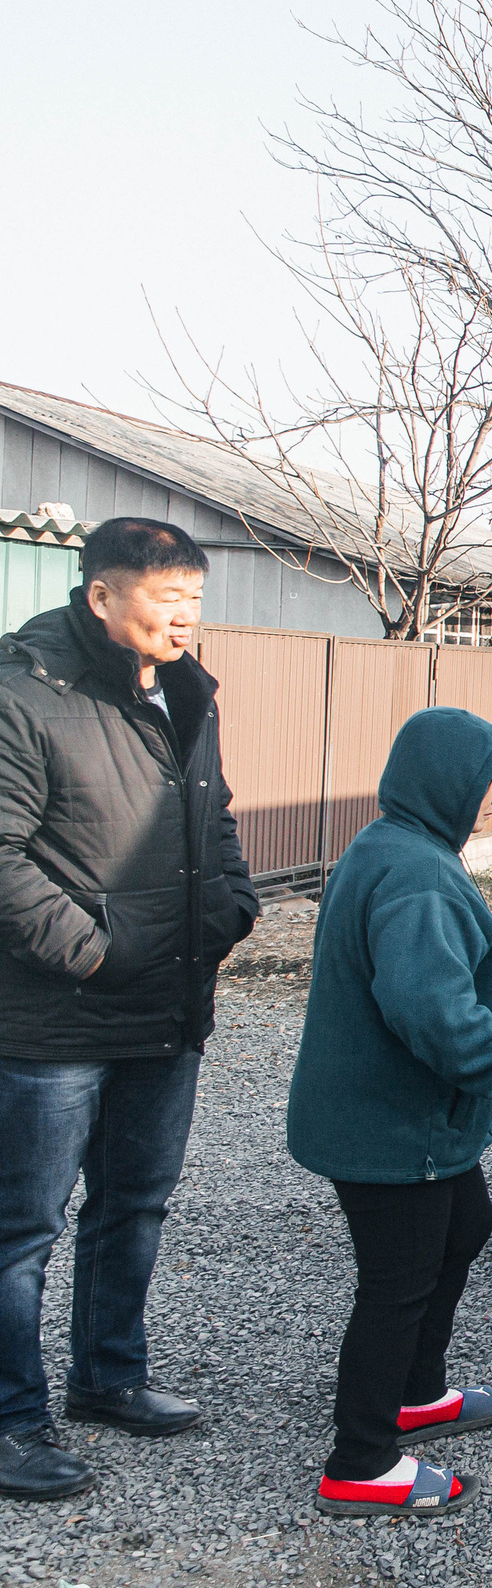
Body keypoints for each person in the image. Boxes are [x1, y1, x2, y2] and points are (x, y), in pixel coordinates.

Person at [287, 707, 492, 1517]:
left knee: (463, 1227)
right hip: (397, 1127)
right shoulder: (417, 873)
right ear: (445, 783)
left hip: (404, 1119)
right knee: (396, 1284)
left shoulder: (393, 842)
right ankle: (359, 1460)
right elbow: (433, 1014)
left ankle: (416, 1392)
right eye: (486, 781)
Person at [0, 518, 260, 1502]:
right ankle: (11, 1420)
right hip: (52, 1020)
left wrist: (233, 904)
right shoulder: (23, 693)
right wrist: (93, 952)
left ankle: (109, 1377)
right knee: (22, 1230)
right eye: (166, 599)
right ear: (101, 596)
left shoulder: (187, 689)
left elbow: (215, 815)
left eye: (194, 599)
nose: (186, 618)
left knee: (132, 1205)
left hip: (166, 1006)